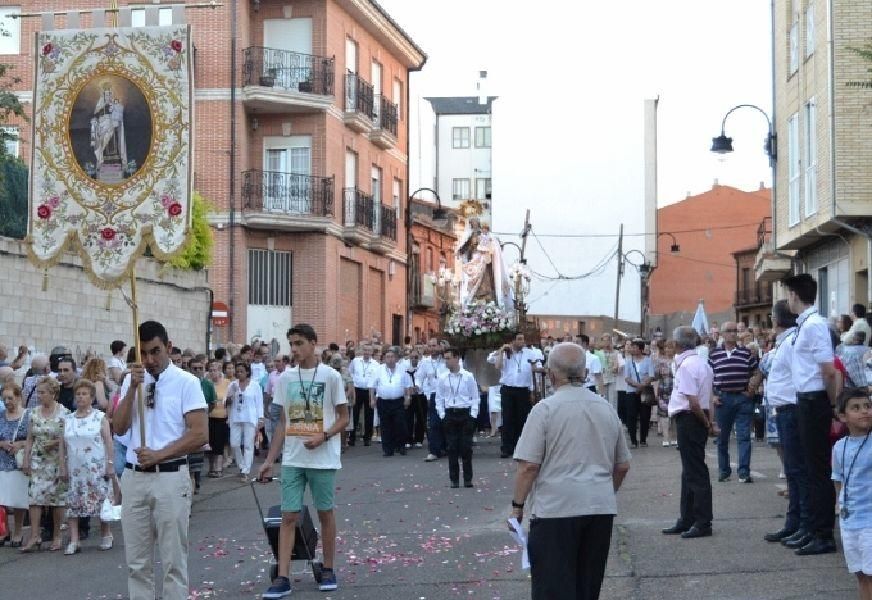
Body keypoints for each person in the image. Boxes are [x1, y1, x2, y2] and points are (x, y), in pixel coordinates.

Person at [511, 343, 631, 600]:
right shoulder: (606, 408)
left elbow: (528, 466)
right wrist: (604, 491)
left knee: (553, 587)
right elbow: (622, 465)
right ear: (585, 372)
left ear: (552, 374)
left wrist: (517, 506)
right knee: (587, 585)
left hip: (557, 508)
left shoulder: (544, 409)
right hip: (599, 507)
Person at [112, 320, 208, 600]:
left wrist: (160, 454)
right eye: (144, 354)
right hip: (134, 477)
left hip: (170, 475)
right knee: (137, 563)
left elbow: (199, 434)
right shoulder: (132, 380)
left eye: (156, 351)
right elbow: (118, 427)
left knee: (172, 560)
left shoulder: (187, 383)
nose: (151, 360)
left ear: (168, 346)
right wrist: (131, 389)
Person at [258, 324, 349, 597]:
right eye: (291, 344)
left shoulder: (331, 377)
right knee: (288, 516)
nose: (294, 350)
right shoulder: (286, 379)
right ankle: (283, 577)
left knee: (325, 513)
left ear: (313, 343)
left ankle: (329, 568)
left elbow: (344, 417)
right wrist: (270, 459)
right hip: (294, 458)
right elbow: (283, 423)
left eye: (299, 343)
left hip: (322, 459)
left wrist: (325, 436)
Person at [783, 273, 839, 555]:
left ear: (794, 295)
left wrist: (834, 406)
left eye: (788, 294)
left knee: (818, 471)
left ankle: (823, 534)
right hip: (806, 400)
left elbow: (828, 370)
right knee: (810, 467)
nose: (787, 300)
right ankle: (814, 529)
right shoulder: (806, 325)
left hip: (815, 400)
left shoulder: (815, 325)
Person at [761, 301, 810, 548]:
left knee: (798, 470)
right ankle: (793, 523)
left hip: (792, 410)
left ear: (775, 319)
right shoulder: (784, 342)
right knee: (792, 470)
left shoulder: (791, 343)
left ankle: (803, 524)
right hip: (783, 411)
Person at [663, 326, 715, 539]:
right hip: (695, 416)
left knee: (695, 472)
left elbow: (693, 401)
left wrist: (705, 423)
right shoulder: (702, 363)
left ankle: (702, 521)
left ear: (677, 344)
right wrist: (709, 421)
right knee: (689, 471)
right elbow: (708, 398)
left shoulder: (686, 366)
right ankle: (687, 518)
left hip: (690, 418)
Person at [63, 379, 113, 554]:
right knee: (73, 505)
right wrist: (62, 466)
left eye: (84, 394)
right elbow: (63, 445)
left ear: (92, 397)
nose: (81, 397)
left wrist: (110, 464)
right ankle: (74, 540)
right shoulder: (68, 419)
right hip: (75, 468)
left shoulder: (99, 417)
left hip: (95, 467)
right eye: (78, 394)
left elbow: (108, 441)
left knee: (100, 501)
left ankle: (106, 534)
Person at [708, 321, 761, 483]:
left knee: (744, 436)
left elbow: (757, 371)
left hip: (742, 398)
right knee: (722, 438)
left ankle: (744, 472)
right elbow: (707, 377)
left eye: (734, 331)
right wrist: (712, 396)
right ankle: (724, 471)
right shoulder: (714, 354)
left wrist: (752, 388)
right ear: (722, 334)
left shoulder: (745, 353)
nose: (732, 333)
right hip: (722, 399)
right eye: (728, 331)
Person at [20, 376, 69, 552]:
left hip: (57, 460)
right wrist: (26, 458)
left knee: (57, 499)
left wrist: (55, 443)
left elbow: (68, 439)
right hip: (38, 460)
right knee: (34, 498)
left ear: (53, 393)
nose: (39, 396)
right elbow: (29, 438)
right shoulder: (33, 413)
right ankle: (34, 535)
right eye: (38, 392)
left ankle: (57, 535)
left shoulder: (64, 413)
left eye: (42, 392)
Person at [832, 387, 872, 599]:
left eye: (867, 406)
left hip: (870, 522)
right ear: (842, 416)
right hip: (850, 521)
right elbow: (838, 478)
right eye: (856, 408)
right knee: (860, 574)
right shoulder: (840, 447)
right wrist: (840, 504)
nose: (865, 411)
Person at [489, 332, 541, 459]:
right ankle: (507, 448)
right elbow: (497, 365)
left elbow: (535, 371)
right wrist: (501, 352)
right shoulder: (505, 353)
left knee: (522, 419)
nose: (522, 342)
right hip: (508, 389)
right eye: (519, 339)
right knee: (507, 419)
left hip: (524, 390)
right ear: (512, 341)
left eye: (522, 339)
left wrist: (535, 389)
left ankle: (521, 447)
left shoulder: (530, 353)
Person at [435, 348, 480, 488]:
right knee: (452, 447)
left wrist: (473, 415)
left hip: (464, 413)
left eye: (448, 358)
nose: (446, 362)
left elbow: (474, 397)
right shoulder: (443, 377)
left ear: (456, 358)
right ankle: (454, 479)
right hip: (450, 413)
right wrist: (442, 414)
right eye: (445, 359)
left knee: (466, 447)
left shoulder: (467, 376)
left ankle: (468, 478)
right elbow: (439, 398)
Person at [0, 383, 29, 546]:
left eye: (10, 398)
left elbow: (35, 437)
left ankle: (18, 532)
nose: (7, 401)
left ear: (18, 397)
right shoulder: (0, 416)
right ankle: (4, 531)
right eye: (4, 398)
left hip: (19, 462)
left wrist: (20, 444)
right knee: (1, 500)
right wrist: (3, 444)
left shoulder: (28, 415)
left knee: (18, 500)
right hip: (2, 462)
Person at [370, 346, 412, 457]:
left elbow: (407, 385)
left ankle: (401, 446)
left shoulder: (402, 369)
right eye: (388, 357)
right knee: (385, 426)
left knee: (400, 424)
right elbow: (372, 386)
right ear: (384, 359)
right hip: (383, 401)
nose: (390, 359)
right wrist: (372, 399)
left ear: (396, 358)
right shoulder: (378, 370)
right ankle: (388, 449)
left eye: (392, 357)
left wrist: (408, 398)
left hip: (398, 401)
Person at [226, 361, 264, 482]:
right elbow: (226, 403)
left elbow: (259, 403)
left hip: (250, 417)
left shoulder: (255, 385)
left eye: (241, 371)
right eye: (237, 371)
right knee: (234, 443)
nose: (239, 373)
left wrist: (260, 418)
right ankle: (241, 465)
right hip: (235, 417)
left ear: (247, 372)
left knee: (248, 445)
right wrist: (231, 395)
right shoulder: (232, 385)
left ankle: (245, 470)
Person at [188, 355, 215, 492]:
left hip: (202, 421)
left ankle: (197, 479)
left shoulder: (208, 385)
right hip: (187, 425)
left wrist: (204, 415)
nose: (197, 371)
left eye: (200, 368)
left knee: (199, 453)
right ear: (189, 369)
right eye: (194, 368)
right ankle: (194, 479)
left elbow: (212, 403)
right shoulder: (185, 384)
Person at [419, 339, 448, 461]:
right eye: (430, 346)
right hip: (434, 394)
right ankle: (434, 451)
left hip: (449, 394)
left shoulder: (447, 358)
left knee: (448, 423)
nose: (432, 348)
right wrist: (418, 387)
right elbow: (419, 377)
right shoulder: (425, 362)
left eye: (434, 345)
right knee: (434, 423)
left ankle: (447, 447)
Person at [623, 339, 655, 448]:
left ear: (641, 349)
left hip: (645, 392)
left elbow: (651, 376)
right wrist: (637, 385)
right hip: (631, 392)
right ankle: (633, 440)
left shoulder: (648, 360)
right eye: (632, 347)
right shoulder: (628, 361)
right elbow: (627, 378)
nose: (632, 349)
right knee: (631, 416)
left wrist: (642, 386)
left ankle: (643, 439)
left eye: (635, 347)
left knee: (645, 416)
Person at [348, 344, 377, 447]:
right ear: (362, 351)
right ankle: (352, 437)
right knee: (354, 414)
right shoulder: (355, 361)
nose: (366, 352)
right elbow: (350, 372)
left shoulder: (375, 364)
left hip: (369, 390)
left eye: (369, 350)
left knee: (369, 414)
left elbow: (376, 378)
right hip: (357, 390)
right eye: (365, 350)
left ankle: (367, 438)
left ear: (372, 352)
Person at [206, 358, 230, 477]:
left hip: (222, 417)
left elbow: (230, 399)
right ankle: (211, 467)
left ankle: (218, 468)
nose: (213, 372)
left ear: (219, 370)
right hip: (209, 416)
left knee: (219, 443)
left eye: (215, 370)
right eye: (210, 370)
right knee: (210, 443)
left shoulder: (227, 383)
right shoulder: (207, 383)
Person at [653, 340, 676, 447]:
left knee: (675, 414)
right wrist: (655, 391)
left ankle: (674, 436)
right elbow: (656, 377)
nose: (668, 350)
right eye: (666, 347)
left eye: (670, 347)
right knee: (663, 414)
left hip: (675, 390)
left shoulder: (677, 360)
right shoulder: (659, 361)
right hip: (663, 390)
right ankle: (665, 437)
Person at [404, 349, 427, 449]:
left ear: (419, 357)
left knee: (421, 418)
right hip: (409, 394)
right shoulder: (405, 367)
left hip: (420, 394)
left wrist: (418, 386)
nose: (414, 359)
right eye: (412, 357)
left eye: (416, 357)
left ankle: (419, 439)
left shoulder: (423, 367)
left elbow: (424, 379)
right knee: (408, 417)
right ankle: (408, 439)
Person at [596, 334, 620, 410]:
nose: (606, 342)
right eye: (604, 340)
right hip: (602, 378)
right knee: (603, 400)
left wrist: (615, 367)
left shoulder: (616, 352)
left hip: (613, 378)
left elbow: (617, 364)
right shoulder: (598, 353)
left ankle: (613, 418)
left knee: (613, 400)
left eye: (608, 340)